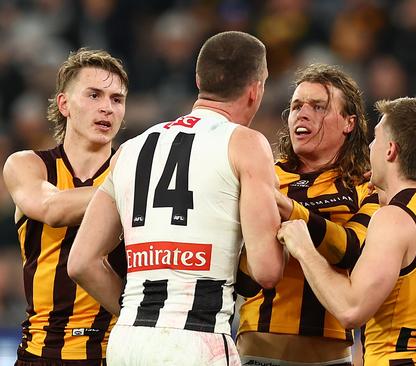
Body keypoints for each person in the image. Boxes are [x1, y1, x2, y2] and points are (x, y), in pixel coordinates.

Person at [67, 31, 284, 365]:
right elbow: (266, 270)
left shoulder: (131, 149)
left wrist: (135, 310)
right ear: (256, 90)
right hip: (197, 338)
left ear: (199, 80)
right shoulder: (246, 144)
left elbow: (81, 262)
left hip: (127, 341)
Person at [277, 97, 416, 365]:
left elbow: (351, 309)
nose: (370, 146)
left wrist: (303, 247)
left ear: (391, 151)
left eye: (375, 139)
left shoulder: (394, 218)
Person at [235, 63, 379, 365]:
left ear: (349, 123)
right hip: (259, 350)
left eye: (318, 107)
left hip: (331, 356)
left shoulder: (367, 186)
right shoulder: (264, 176)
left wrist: (287, 209)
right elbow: (244, 281)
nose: (302, 113)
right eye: (296, 106)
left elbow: (352, 250)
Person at [3, 49, 128, 365]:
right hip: (42, 353)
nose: (106, 108)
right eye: (94, 95)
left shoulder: (134, 168)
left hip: (114, 354)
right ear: (64, 104)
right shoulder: (28, 165)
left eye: (117, 99)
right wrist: (134, 187)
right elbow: (52, 208)